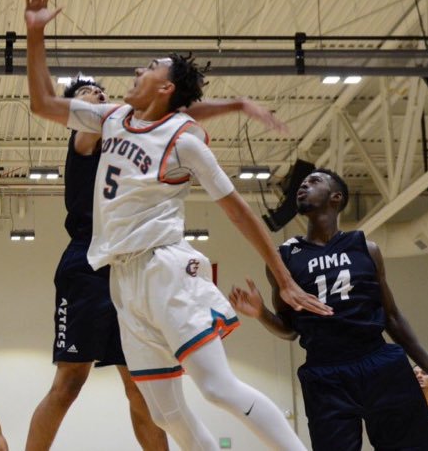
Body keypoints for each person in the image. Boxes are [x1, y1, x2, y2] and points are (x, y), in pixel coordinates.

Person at [23, 0, 331, 451]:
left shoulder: (184, 140)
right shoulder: (110, 119)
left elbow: (238, 210)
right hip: (120, 277)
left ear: (165, 86)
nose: (134, 70)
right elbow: (42, 102)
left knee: (216, 388)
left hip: (165, 267)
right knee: (166, 413)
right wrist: (35, 34)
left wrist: (283, 278)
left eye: (147, 67)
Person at [26, 78, 282, 451]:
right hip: (87, 264)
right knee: (68, 383)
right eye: (85, 94)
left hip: (133, 265)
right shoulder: (85, 135)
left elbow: (179, 114)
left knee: (141, 388)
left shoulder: (129, 132)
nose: (97, 93)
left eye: (100, 90)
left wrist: (236, 105)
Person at [228, 167, 428, 450]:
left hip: (378, 362)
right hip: (325, 374)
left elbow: (391, 317)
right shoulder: (284, 259)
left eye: (313, 181)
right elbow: (290, 330)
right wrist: (260, 314)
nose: (303, 185)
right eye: (302, 183)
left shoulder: (366, 249)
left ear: (336, 197)